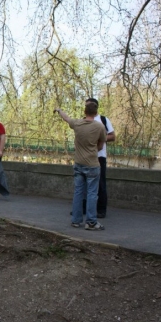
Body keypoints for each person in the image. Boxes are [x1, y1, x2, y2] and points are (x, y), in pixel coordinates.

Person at [54, 103, 106, 231]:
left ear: (85, 111)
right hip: (92, 164)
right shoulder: (99, 127)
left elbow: (66, 118)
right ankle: (91, 222)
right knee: (92, 194)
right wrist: (93, 149)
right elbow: (101, 145)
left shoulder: (77, 124)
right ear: (96, 113)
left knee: (78, 192)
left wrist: (59, 110)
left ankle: (76, 220)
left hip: (79, 163)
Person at [84, 98, 115, 218]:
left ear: (95, 107)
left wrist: (100, 138)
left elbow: (112, 136)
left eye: (89, 106)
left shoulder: (103, 120)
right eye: (86, 106)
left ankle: (101, 210)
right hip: (86, 156)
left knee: (100, 183)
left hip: (99, 156)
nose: (87, 108)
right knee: (84, 184)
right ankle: (84, 208)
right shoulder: (84, 121)